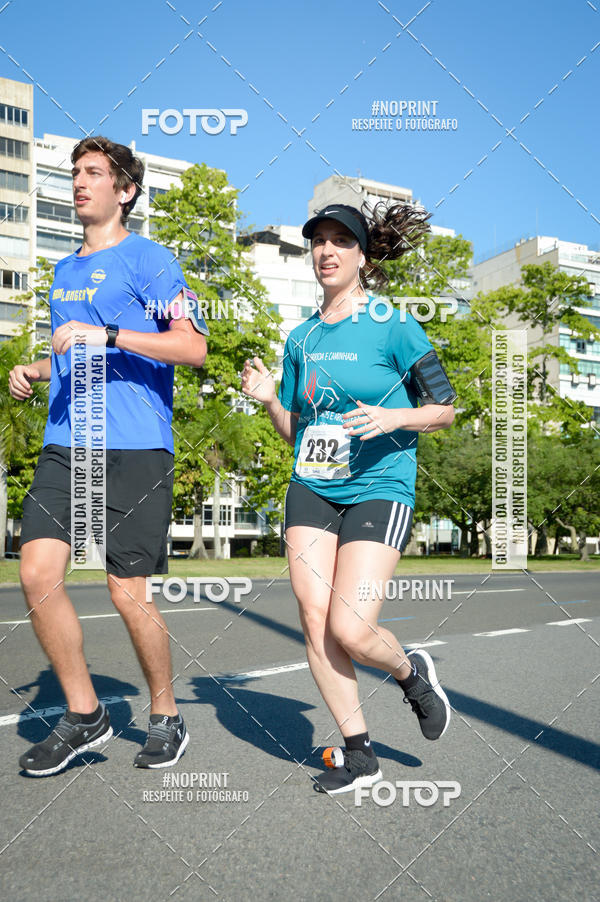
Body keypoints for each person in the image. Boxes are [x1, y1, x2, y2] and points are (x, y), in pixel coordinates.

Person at [9, 136, 208, 776]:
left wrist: (111, 333)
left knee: (128, 593)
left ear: (125, 190)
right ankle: (85, 713)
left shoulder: (153, 262)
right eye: (74, 173)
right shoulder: (64, 272)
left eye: (93, 173)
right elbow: (77, 353)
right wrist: (40, 368)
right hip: (69, 442)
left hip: (136, 445)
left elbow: (193, 348)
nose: (78, 183)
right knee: (37, 573)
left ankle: (166, 715)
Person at [241, 202, 456, 794]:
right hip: (312, 484)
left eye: (341, 241)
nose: (327, 251)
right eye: (319, 242)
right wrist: (267, 400)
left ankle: (412, 675)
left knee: (354, 629)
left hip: (380, 486)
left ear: (363, 255)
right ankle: (360, 754)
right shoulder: (301, 338)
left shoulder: (394, 324)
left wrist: (395, 417)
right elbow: (299, 431)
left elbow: (446, 408)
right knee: (315, 621)